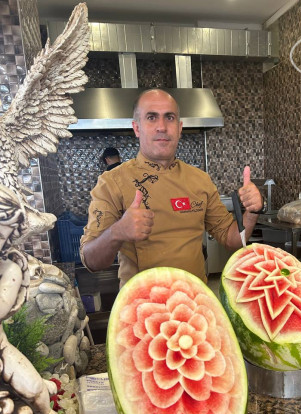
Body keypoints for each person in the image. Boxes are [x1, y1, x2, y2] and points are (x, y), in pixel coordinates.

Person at [80, 89, 264, 287]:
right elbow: (91, 261)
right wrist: (117, 232)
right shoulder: (111, 182)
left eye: (169, 117)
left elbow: (231, 239)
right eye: (151, 117)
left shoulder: (200, 179)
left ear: (179, 127)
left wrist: (252, 212)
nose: (162, 127)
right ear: (137, 128)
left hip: (195, 298)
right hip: (142, 301)